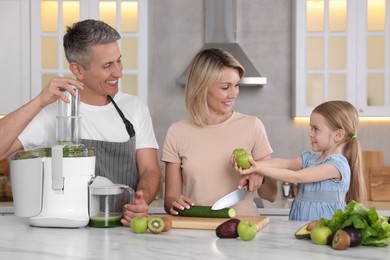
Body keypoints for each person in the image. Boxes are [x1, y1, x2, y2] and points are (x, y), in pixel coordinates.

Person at [0, 19, 160, 226]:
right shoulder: (54, 112)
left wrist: (141, 200)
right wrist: (39, 101)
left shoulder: (134, 108)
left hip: (122, 229)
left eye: (118, 61)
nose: (119, 72)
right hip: (69, 231)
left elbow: (150, 170)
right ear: (77, 70)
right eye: (107, 65)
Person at [161, 48, 278, 216]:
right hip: (197, 232)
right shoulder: (177, 132)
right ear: (201, 87)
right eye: (225, 87)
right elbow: (170, 198)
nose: (234, 94)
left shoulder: (252, 126)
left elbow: (271, 195)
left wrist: (261, 174)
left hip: (244, 231)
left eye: (236, 85)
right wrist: (174, 203)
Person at [233, 100, 367, 221]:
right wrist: (252, 164)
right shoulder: (311, 158)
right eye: (311, 128)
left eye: (316, 129)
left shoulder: (336, 165)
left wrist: (259, 168)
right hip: (301, 220)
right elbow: (285, 163)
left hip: (324, 225)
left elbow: (297, 177)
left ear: (338, 135)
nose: (311, 133)